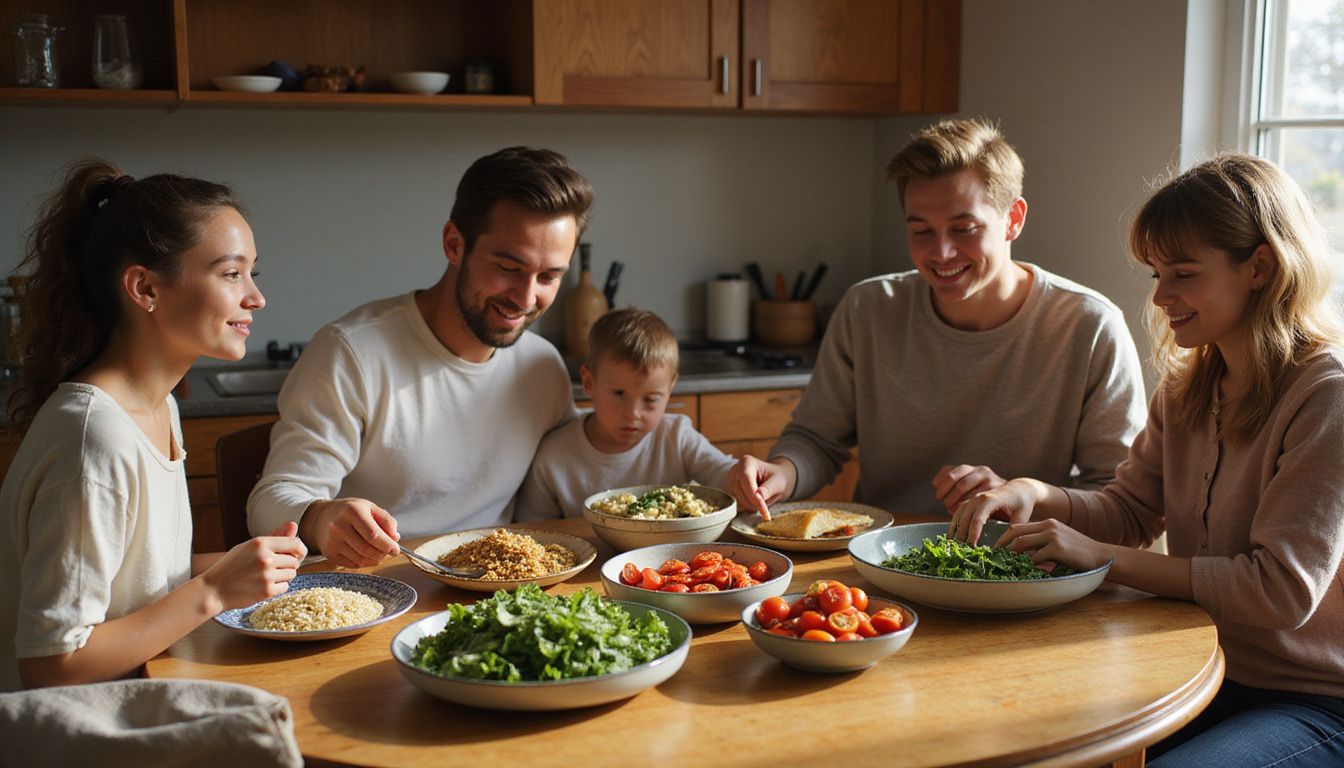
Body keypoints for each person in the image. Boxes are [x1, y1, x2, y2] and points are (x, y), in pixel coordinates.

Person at [952, 154, 1344, 766]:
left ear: (1259, 267)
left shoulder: (1327, 395)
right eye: (1156, 273)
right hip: (1194, 669)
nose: (1161, 296)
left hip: (1310, 699)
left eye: (1183, 274)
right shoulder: (1188, 386)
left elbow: (1281, 592)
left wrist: (1102, 561)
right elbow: (1131, 511)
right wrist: (1035, 493)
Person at [726, 118, 1147, 519]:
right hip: (883, 557)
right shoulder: (867, 309)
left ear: (1013, 220)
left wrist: (1022, 493)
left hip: (1021, 565)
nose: (941, 253)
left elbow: (1121, 501)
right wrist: (783, 472)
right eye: (921, 231)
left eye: (963, 228)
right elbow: (816, 440)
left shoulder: (1090, 326)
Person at [0, 159, 306, 691]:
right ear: (144, 289)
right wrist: (211, 591)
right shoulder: (92, 439)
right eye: (232, 273)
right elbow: (50, 668)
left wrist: (241, 567)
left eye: (252, 273)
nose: (256, 297)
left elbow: (131, 581)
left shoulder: (158, 406)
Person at [248, 147, 591, 567]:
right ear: (454, 244)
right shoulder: (353, 352)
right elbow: (269, 503)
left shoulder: (541, 367)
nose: (525, 297)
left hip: (505, 590)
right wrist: (321, 518)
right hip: (380, 590)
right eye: (508, 267)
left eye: (549, 276)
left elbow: (577, 464)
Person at [515, 308, 736, 519]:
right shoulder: (553, 457)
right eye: (619, 393)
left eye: (651, 399)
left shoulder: (677, 437)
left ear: (670, 388)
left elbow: (724, 474)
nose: (633, 414)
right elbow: (533, 529)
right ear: (589, 382)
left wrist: (746, 477)